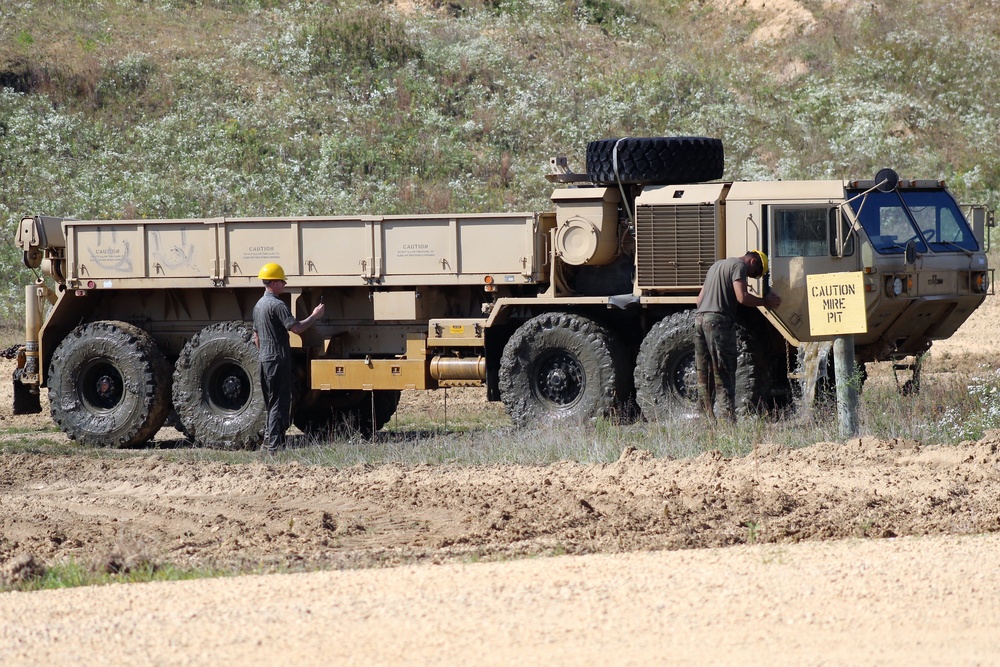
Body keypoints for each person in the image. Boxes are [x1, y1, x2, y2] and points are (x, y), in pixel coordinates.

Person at [694, 250, 781, 422]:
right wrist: (765, 301)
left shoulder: (715, 266)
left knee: (704, 374)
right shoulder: (739, 265)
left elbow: (698, 300)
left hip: (699, 320)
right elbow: (742, 297)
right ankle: (727, 422)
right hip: (718, 321)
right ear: (753, 261)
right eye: (754, 273)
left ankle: (705, 421)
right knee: (724, 371)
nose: (751, 276)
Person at [252, 262, 325, 453]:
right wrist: (314, 316)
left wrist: (263, 354)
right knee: (279, 403)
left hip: (264, 360)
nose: (284, 285)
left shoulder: (259, 305)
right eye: (282, 281)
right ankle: (274, 448)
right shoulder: (277, 305)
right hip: (278, 359)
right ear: (274, 282)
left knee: (270, 403)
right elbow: (297, 328)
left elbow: (256, 337)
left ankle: (269, 443)